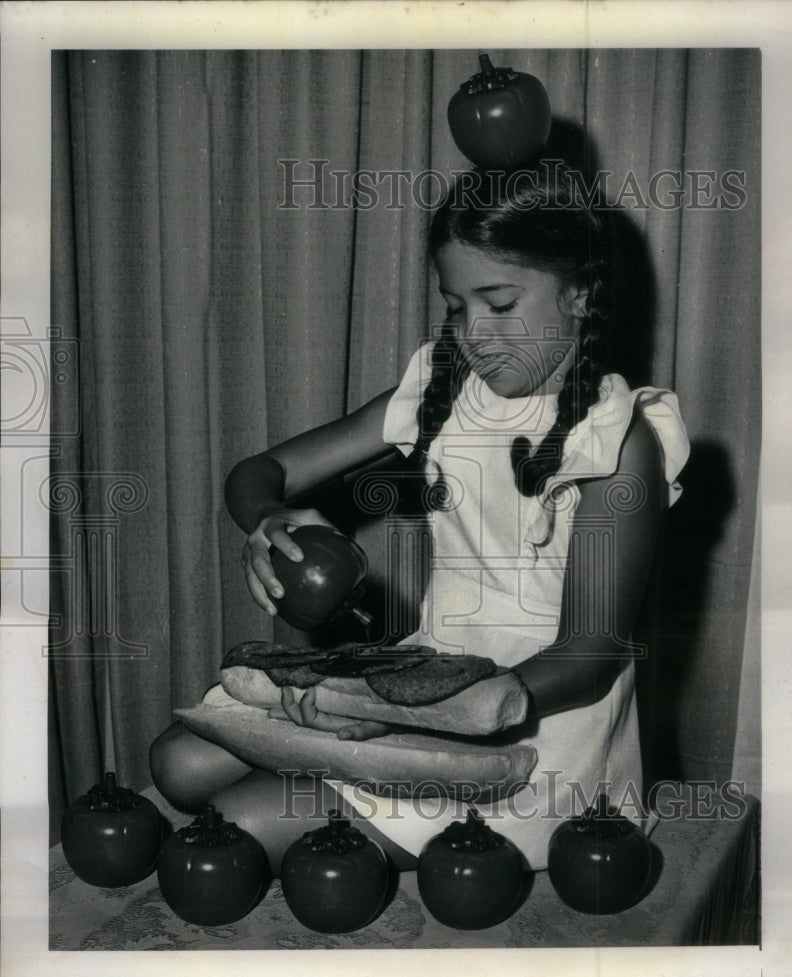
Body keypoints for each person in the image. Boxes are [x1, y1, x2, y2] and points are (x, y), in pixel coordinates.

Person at [150, 161, 689, 874]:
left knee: (238, 824)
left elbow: (589, 656)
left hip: (534, 730)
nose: (474, 333)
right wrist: (269, 519)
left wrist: (406, 716)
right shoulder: (441, 389)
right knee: (177, 765)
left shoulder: (619, 444)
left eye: (499, 303)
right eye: (457, 306)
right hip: (421, 679)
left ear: (581, 292)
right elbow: (259, 472)